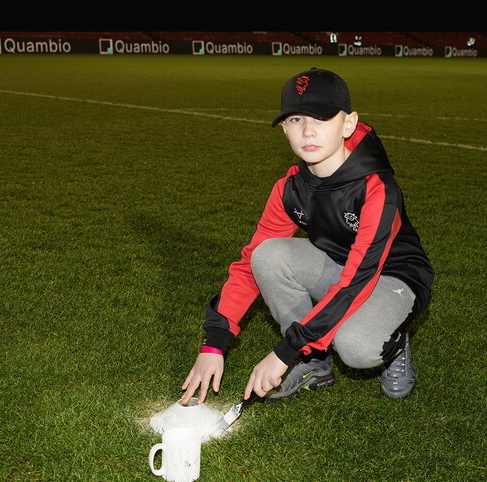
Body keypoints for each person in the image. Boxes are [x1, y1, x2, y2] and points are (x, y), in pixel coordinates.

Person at [180, 68, 433, 405]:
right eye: (296, 119)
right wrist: (214, 342)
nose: (308, 131)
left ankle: (395, 342)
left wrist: (285, 352)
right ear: (284, 128)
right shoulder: (289, 189)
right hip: (338, 267)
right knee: (266, 255)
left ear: (348, 124)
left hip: (392, 276)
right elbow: (248, 264)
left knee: (356, 346)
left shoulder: (377, 188)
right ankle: (315, 363)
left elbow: (357, 279)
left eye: (322, 118)